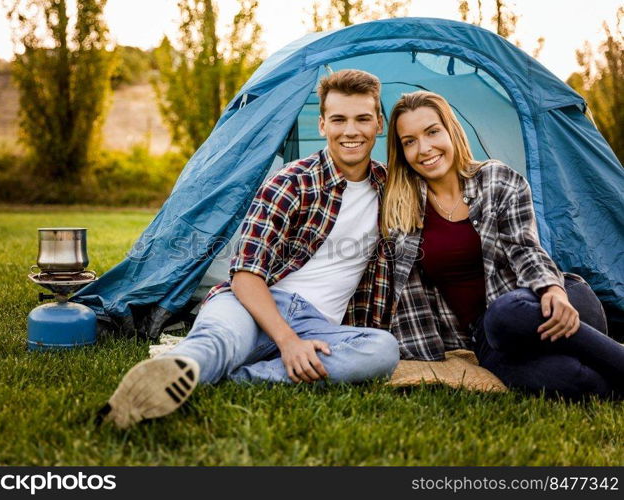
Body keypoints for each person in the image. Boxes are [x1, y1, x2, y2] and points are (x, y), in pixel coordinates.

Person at [100, 70, 400, 429]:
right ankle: (171, 374)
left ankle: (235, 377)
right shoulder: (291, 181)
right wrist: (287, 341)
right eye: (339, 119)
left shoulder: (391, 186)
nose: (351, 131)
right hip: (253, 304)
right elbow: (245, 275)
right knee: (219, 340)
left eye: (362, 119)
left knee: (382, 350)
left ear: (379, 124)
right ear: (322, 125)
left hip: (319, 327)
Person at [371, 90, 624, 400]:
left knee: (509, 310)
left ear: (451, 130)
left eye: (432, 131)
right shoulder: (400, 208)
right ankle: (606, 363)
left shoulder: (497, 179)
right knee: (569, 377)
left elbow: (525, 247)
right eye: (409, 141)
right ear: (401, 151)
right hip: (491, 337)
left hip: (550, 300)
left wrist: (553, 291)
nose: (424, 148)